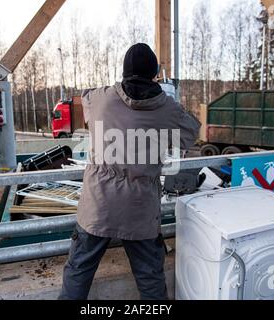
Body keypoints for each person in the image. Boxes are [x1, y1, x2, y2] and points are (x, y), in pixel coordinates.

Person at [59, 43, 200, 300]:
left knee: (78, 272)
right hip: (140, 210)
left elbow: (86, 102)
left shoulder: (100, 99)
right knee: (150, 278)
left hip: (98, 206)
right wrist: (170, 106)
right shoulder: (167, 109)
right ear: (155, 73)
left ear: (123, 71)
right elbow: (190, 134)